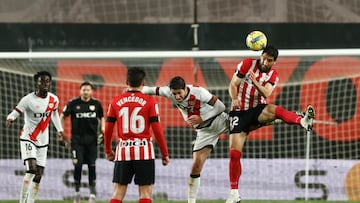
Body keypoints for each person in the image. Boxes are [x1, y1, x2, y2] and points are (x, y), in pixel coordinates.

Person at [225, 45, 315, 203]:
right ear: (261, 55)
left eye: (270, 60)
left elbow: (266, 93)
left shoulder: (274, 75)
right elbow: (233, 84)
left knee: (275, 109)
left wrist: (254, 81)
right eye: (264, 58)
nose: (266, 62)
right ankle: (234, 193)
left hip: (257, 110)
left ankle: (302, 121)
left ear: (275, 62)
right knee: (234, 154)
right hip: (239, 112)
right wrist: (234, 98)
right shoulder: (247, 64)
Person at [142, 76, 229, 203]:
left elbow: (221, 106)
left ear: (185, 89)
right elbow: (149, 89)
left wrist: (202, 118)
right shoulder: (168, 92)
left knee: (249, 124)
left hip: (220, 121)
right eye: (174, 94)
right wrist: (131, 90)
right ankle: (191, 201)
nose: (177, 96)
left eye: (179, 93)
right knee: (196, 166)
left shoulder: (199, 92)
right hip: (204, 132)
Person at [104, 67, 170, 203]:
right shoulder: (150, 101)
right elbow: (157, 130)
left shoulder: (115, 102)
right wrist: (164, 153)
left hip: (123, 151)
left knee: (117, 193)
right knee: (145, 193)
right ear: (143, 83)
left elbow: (108, 129)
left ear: (126, 82)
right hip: (144, 151)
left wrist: (108, 150)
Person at [6, 71, 66, 203]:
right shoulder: (28, 100)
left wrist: (60, 131)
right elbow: (16, 112)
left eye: (47, 81)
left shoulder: (54, 99)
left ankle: (30, 201)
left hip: (43, 141)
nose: (45, 84)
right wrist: (10, 118)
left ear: (50, 83)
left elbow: (54, 115)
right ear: (36, 83)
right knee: (31, 169)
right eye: (41, 81)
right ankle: (22, 201)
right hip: (28, 138)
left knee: (38, 176)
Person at [60, 81, 105, 203]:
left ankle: (92, 194)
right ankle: (77, 193)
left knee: (92, 166)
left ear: (91, 91)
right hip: (77, 141)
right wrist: (60, 131)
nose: (86, 92)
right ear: (80, 91)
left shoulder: (96, 104)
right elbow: (63, 115)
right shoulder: (73, 103)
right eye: (84, 90)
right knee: (78, 165)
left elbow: (102, 117)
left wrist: (103, 130)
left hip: (92, 142)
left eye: (88, 90)